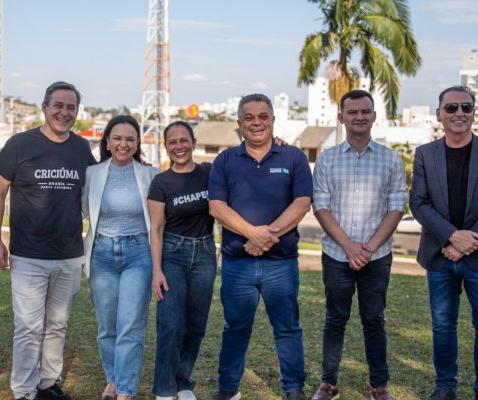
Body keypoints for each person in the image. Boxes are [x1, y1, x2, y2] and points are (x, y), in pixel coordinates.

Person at [0, 82, 97, 400]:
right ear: (44, 107)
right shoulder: (20, 144)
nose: (64, 113)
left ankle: (48, 383)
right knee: (27, 327)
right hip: (28, 254)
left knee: (57, 324)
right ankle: (23, 391)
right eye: (58, 106)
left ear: (77, 112)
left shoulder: (80, 149)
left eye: (71, 107)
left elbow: (99, 185)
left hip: (68, 254)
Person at [208, 94, 313, 400]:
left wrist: (266, 237)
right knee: (235, 328)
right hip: (237, 264)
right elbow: (217, 207)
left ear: (273, 121)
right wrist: (253, 234)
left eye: (263, 116)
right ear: (239, 123)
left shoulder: (292, 157)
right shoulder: (225, 160)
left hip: (281, 262)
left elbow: (302, 203)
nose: (257, 123)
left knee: (288, 328)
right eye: (249, 117)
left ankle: (293, 388)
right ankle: (228, 389)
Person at [409, 85, 478, 400]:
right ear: (439, 114)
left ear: (474, 113)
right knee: (443, 327)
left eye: (466, 107)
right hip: (441, 255)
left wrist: (467, 242)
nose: (459, 114)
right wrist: (452, 237)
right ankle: (446, 386)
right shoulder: (425, 154)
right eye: (451, 108)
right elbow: (419, 203)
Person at [310, 90, 407, 400]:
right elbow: (321, 208)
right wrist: (350, 247)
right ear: (341, 117)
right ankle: (329, 384)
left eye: (365, 111)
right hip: (337, 254)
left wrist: (367, 248)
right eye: (352, 112)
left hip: (377, 256)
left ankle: (379, 386)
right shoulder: (326, 159)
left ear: (374, 116)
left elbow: (396, 208)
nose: (359, 117)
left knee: (374, 319)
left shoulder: (391, 159)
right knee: (335, 318)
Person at [83, 115, 158, 400]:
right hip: (101, 253)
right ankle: (113, 379)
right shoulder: (93, 174)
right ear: (107, 141)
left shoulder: (150, 175)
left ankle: (125, 390)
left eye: (130, 139)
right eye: (117, 138)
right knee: (106, 326)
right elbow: (81, 210)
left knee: (130, 324)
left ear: (138, 143)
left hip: (138, 253)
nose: (123, 144)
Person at [148, 121, 217, 400]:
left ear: (193, 142)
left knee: (196, 325)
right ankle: (164, 389)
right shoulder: (161, 182)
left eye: (183, 140)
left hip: (204, 253)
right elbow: (156, 228)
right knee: (171, 325)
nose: (179, 146)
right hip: (172, 254)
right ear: (166, 147)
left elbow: (242, 160)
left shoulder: (209, 173)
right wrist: (156, 270)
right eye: (172, 142)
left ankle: (183, 382)